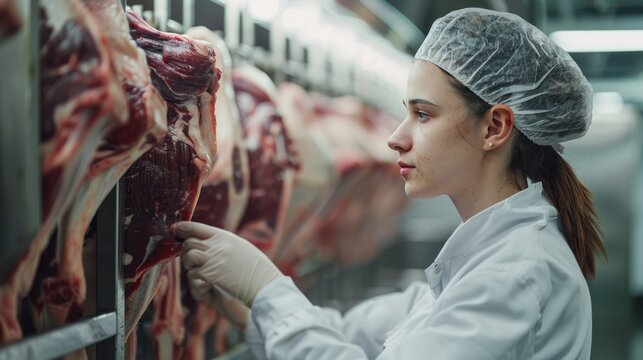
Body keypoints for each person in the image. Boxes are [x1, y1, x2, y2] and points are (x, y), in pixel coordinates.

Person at [172, 7, 606, 359]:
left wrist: (266, 288)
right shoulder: (482, 260)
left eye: (423, 114)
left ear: (494, 127)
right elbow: (362, 334)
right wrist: (256, 311)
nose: (395, 138)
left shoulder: (511, 275)